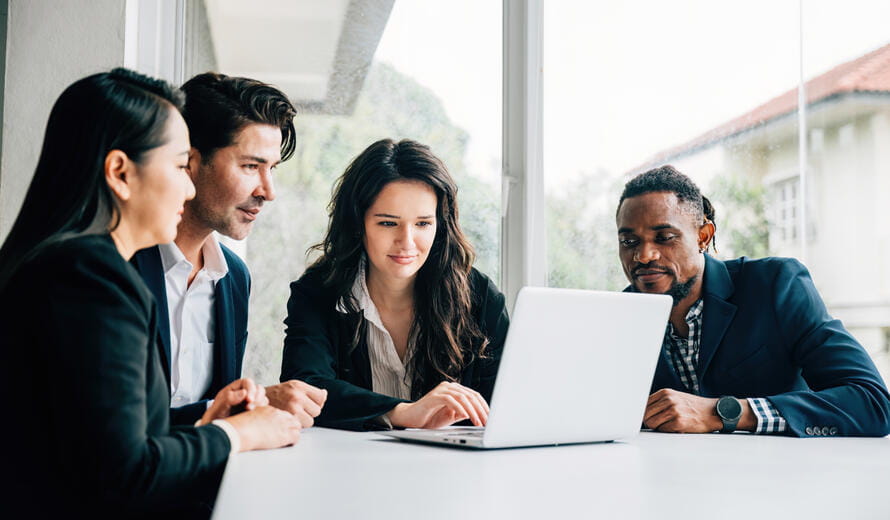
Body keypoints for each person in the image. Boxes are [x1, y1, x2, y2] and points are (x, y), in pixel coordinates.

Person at [0, 69, 304, 518]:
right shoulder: (90, 275)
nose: (187, 184)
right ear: (120, 173)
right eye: (181, 166)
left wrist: (208, 418)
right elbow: (123, 472)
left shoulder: (66, 264)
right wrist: (238, 434)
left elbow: (99, 433)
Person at [615, 165, 890, 437]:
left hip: (781, 475)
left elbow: (873, 403)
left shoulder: (775, 285)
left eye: (664, 238)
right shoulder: (616, 318)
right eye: (629, 242)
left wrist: (722, 413)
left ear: (703, 236)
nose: (644, 255)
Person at [131, 72, 326, 427]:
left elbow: (218, 421)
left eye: (273, 169)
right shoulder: (118, 263)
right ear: (191, 161)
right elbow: (118, 428)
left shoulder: (234, 277)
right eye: (251, 166)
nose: (268, 191)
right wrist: (261, 400)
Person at [281, 138, 509, 431]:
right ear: (357, 224)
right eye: (388, 223)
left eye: (423, 224)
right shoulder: (317, 292)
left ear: (440, 225)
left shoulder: (480, 297)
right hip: (346, 467)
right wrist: (401, 412)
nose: (407, 242)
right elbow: (304, 389)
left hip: (452, 470)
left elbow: (504, 402)